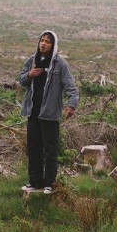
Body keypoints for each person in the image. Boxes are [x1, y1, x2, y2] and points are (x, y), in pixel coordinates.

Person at [19, 30, 79, 194]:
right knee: (33, 149)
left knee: (50, 150)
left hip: (50, 114)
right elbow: (22, 80)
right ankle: (34, 181)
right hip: (33, 112)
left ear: (53, 45)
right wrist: (30, 74)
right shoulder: (32, 60)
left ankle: (49, 183)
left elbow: (71, 88)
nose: (43, 43)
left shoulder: (60, 64)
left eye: (47, 41)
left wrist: (71, 105)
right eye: (42, 40)